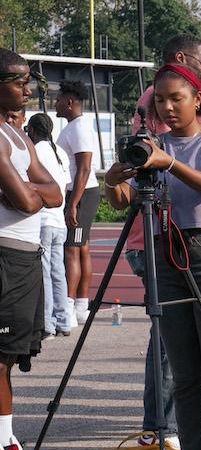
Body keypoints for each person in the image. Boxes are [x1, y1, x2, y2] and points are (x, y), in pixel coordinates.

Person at [102, 64, 201, 450]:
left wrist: (170, 162)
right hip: (165, 252)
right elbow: (124, 200)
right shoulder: (154, 145)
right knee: (183, 374)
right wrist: (113, 181)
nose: (165, 108)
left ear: (198, 98)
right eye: (159, 101)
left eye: (174, 99)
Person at [0, 49, 65, 450]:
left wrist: (31, 190)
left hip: (24, 255)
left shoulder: (17, 135)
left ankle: (8, 449)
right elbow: (26, 200)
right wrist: (31, 191)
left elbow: (53, 191)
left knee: (8, 359)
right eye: (18, 80)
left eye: (29, 81)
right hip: (5, 254)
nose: (27, 89)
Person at [54, 80, 102, 327]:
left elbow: (84, 168)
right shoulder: (75, 126)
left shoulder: (79, 127)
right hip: (81, 194)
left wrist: (73, 203)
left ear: (70, 102)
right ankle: (82, 305)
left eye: (59, 98)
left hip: (81, 194)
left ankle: (69, 308)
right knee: (81, 247)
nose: (56, 102)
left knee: (71, 249)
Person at [26, 114, 72, 340]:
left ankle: (47, 324)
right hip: (58, 221)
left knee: (43, 273)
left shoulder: (36, 151)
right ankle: (64, 321)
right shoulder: (59, 152)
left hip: (43, 219)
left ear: (32, 130)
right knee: (58, 271)